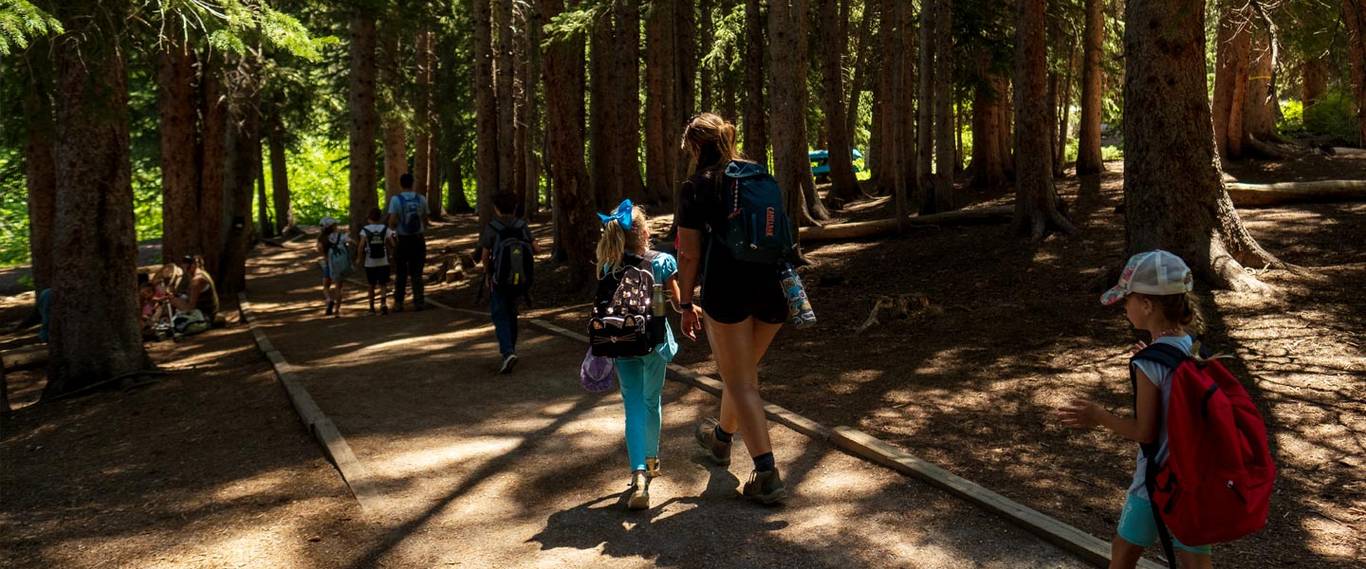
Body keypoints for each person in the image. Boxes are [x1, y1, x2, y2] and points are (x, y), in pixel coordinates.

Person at [1058, 250, 1213, 569]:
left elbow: (1145, 431)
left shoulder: (1149, 364)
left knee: (1123, 555)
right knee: (1195, 561)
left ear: (1147, 305)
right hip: (1194, 476)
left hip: (1155, 481)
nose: (1124, 308)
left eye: (1127, 300)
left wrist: (1098, 416)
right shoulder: (1192, 346)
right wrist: (1154, 355)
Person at [675, 112, 789, 504]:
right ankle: (721, 440)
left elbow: (688, 254)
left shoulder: (695, 186)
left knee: (741, 383)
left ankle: (767, 474)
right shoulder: (758, 174)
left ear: (693, 147)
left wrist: (686, 302)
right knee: (739, 375)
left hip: (728, 291)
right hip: (774, 288)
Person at [595, 201, 682, 510]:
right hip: (654, 343)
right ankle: (652, 458)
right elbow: (675, 301)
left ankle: (638, 477)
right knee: (651, 401)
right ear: (646, 233)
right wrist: (686, 308)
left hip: (622, 342)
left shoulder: (609, 266)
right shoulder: (662, 262)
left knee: (632, 407)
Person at [479, 191, 536, 374]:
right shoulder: (522, 225)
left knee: (499, 314)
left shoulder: (492, 227)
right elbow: (537, 248)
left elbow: (485, 255)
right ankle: (511, 348)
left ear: (496, 208)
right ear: (515, 207)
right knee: (512, 313)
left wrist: (488, 273)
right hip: (519, 280)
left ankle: (507, 352)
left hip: (500, 279)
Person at [387, 173, 430, 312]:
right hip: (418, 239)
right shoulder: (421, 199)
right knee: (417, 272)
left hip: (403, 240)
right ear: (413, 183)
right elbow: (425, 217)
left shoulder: (396, 200)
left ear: (401, 184)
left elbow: (393, 221)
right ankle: (419, 301)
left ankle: (399, 302)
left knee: (401, 272)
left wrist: (393, 227)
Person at [356, 207, 395, 315]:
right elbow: (392, 243)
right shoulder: (385, 228)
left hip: (370, 262)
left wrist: (359, 257)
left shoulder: (365, 230)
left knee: (371, 284)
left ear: (369, 218)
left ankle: (371, 308)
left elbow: (361, 245)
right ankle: (383, 304)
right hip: (383, 260)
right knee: (383, 284)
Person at [170, 255, 219, 336]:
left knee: (173, 300)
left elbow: (191, 307)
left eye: (185, 266)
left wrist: (175, 300)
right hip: (207, 311)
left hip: (205, 315)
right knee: (175, 298)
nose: (183, 268)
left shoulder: (196, 281)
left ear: (192, 265)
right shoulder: (201, 273)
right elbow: (190, 295)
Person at [316, 218, 350, 317]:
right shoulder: (339, 236)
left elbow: (319, 249)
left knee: (326, 286)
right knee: (338, 287)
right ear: (332, 227)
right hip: (339, 264)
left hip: (328, 264)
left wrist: (325, 256)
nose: (337, 226)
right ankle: (337, 311)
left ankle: (328, 299)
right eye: (335, 225)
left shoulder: (322, 238)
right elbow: (349, 242)